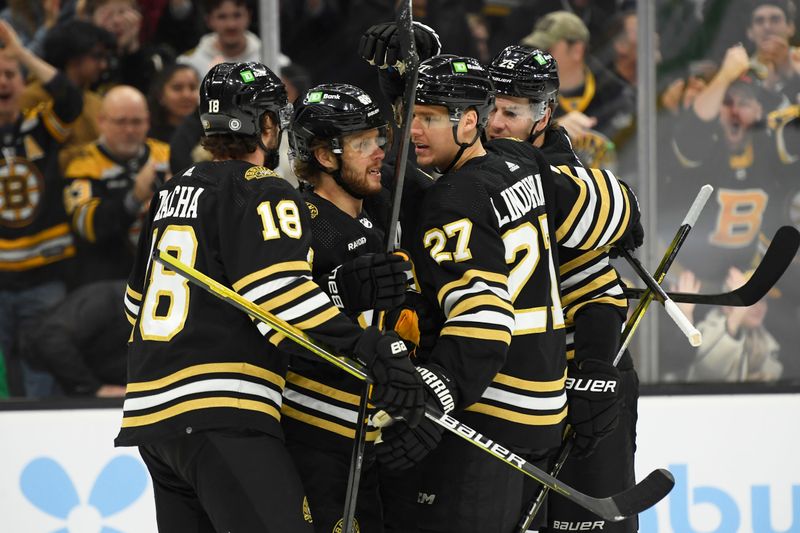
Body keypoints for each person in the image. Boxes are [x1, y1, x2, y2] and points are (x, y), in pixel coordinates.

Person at [113, 61, 425, 532]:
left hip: (152, 420)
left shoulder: (171, 192)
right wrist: (368, 347)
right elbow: (279, 297)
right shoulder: (264, 191)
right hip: (224, 409)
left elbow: (134, 306)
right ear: (264, 125)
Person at [364, 53, 638, 533]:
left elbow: (484, 323)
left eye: (429, 118)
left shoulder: (456, 199)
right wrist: (624, 215)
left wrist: (435, 396)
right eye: (413, 116)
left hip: (491, 405)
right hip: (544, 408)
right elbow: (620, 211)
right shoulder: (526, 164)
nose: (498, 122)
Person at [487, 45, 642, 533]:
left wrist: (595, 371)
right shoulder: (480, 167)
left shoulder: (563, 178)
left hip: (581, 377)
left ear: (544, 114)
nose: (495, 123)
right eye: (490, 108)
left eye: (510, 112)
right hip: (515, 386)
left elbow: (598, 292)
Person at [283, 82, 414, 533]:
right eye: (363, 144)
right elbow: (273, 313)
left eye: (379, 139)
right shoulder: (299, 223)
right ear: (324, 156)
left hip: (373, 433)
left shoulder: (377, 211)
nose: (379, 153)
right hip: (315, 434)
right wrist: (338, 290)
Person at [0, 19, 83, 397]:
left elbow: (70, 99)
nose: (3, 82)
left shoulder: (38, 129)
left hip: (44, 275)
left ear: (23, 83)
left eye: (9, 75)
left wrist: (21, 53)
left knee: (42, 370)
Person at [63, 85, 170, 287]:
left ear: (148, 121)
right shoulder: (83, 165)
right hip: (107, 282)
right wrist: (134, 197)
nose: (129, 130)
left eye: (136, 122)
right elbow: (88, 228)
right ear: (101, 122)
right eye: (120, 122)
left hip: (161, 278)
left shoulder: (166, 155)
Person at [521, 11, 635, 169]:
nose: (537, 58)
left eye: (546, 50)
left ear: (577, 50)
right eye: (534, 51)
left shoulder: (615, 95)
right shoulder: (522, 96)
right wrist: (548, 133)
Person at [22, 19, 115, 172]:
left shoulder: (98, 102)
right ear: (73, 57)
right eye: (97, 56)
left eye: (105, 57)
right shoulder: (29, 97)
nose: (103, 65)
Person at [23, 279, 129, 397]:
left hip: (95, 373)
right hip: (54, 370)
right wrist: (94, 388)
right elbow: (51, 341)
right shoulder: (105, 300)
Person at [685, 267, 783, 382]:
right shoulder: (703, 332)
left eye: (763, 299)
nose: (759, 306)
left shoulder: (766, 342)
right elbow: (709, 372)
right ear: (727, 305)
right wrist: (736, 316)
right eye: (751, 298)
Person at [147, 63, 200, 142]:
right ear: (160, 95)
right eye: (177, 88)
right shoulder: (148, 136)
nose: (186, 95)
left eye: (192, 87)